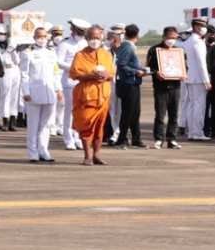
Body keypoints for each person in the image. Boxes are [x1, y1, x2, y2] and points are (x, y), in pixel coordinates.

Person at [70, 24, 115, 165]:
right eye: (91, 37)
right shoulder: (80, 55)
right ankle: (87, 155)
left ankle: (96, 154)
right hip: (87, 97)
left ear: (101, 38)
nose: (94, 40)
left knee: (99, 128)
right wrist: (90, 75)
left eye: (97, 37)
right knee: (86, 127)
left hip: (103, 97)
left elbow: (112, 73)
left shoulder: (107, 55)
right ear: (87, 38)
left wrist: (106, 75)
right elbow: (74, 74)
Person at [19, 26, 61, 163]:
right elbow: (24, 74)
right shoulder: (28, 53)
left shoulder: (51, 53)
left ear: (47, 37)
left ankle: (43, 150)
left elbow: (56, 73)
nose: (41, 39)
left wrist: (58, 89)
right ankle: (33, 152)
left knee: (46, 125)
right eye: (39, 36)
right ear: (34, 37)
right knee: (33, 125)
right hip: (34, 93)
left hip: (50, 93)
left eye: (44, 36)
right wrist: (25, 92)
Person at [146, 26, 183, 149]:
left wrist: (183, 73)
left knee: (174, 115)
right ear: (163, 37)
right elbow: (148, 68)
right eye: (169, 37)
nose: (172, 40)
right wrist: (156, 73)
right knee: (160, 115)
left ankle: (172, 139)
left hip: (175, 86)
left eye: (174, 38)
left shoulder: (179, 51)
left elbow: (184, 66)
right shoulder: (154, 50)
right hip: (160, 87)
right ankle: (159, 139)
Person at [55, 19, 89, 150]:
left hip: (83, 81)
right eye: (79, 31)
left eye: (83, 31)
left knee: (81, 112)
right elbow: (58, 62)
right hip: (70, 82)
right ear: (73, 30)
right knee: (69, 111)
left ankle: (77, 137)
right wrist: (74, 68)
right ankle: (68, 139)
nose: (81, 33)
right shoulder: (65, 44)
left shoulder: (85, 43)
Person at [113, 23, 147, 147]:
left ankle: (136, 138)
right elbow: (121, 65)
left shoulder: (128, 46)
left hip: (133, 82)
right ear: (137, 35)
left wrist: (142, 70)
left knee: (135, 112)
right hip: (128, 84)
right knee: (128, 113)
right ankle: (122, 139)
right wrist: (136, 72)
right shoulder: (127, 47)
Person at [182, 18, 212, 141]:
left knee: (192, 105)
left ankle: (191, 132)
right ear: (195, 27)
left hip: (190, 77)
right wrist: (206, 80)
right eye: (201, 26)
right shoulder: (198, 42)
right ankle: (198, 133)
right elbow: (201, 63)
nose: (203, 29)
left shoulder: (188, 41)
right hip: (199, 78)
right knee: (199, 106)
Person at [0, 24, 22, 132]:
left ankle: (13, 120)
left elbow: (17, 61)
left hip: (15, 70)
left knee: (14, 97)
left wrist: (13, 50)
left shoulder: (11, 45)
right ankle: (5, 120)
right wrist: (7, 51)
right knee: (5, 96)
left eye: (3, 34)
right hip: (5, 71)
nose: (1, 35)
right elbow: (0, 60)